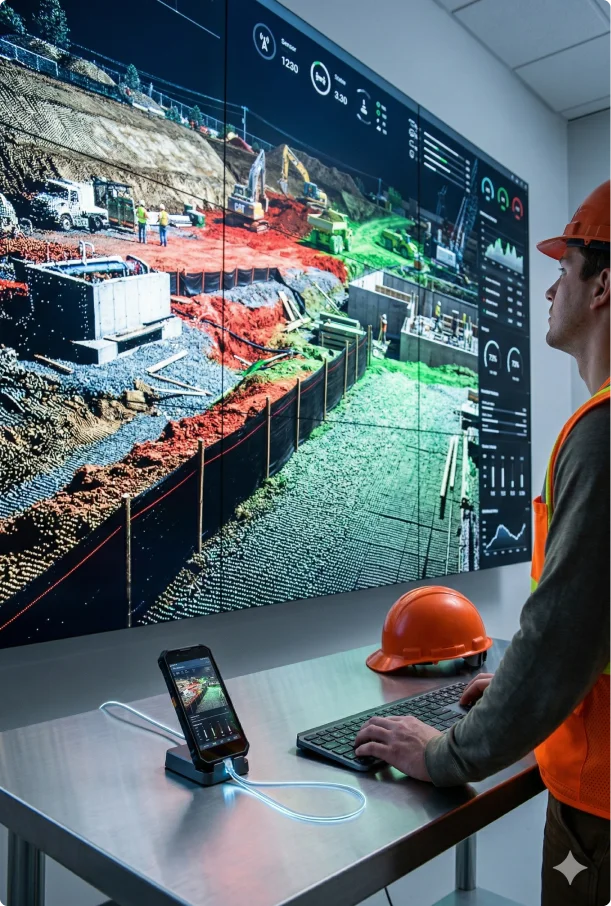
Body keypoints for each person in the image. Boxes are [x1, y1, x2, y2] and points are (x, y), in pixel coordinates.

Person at [355, 180, 611, 905]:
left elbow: (562, 635)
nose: (549, 288)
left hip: (602, 814)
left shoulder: (601, 434)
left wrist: (442, 754)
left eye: (565, 269)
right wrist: (521, 690)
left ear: (603, 287)